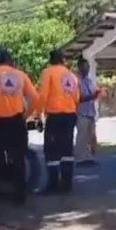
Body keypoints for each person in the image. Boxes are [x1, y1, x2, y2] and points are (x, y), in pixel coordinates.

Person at [0, 47, 39, 209]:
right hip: (17, 122)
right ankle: (20, 197)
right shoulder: (20, 75)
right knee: (19, 159)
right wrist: (25, 115)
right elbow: (35, 97)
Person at [38, 49, 80, 193]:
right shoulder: (72, 76)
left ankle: (53, 183)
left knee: (51, 149)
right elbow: (76, 98)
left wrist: (39, 115)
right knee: (67, 149)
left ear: (51, 60)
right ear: (63, 60)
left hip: (55, 116)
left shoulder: (48, 72)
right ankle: (67, 183)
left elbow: (42, 95)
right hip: (70, 115)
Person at [74, 58, 102, 167]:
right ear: (80, 68)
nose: (87, 69)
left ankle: (89, 157)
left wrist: (97, 94)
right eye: (85, 67)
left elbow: (93, 93)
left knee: (90, 135)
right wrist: (92, 96)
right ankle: (80, 158)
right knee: (82, 135)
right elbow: (78, 98)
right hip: (82, 112)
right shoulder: (77, 81)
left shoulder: (89, 80)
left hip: (91, 111)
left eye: (88, 67)